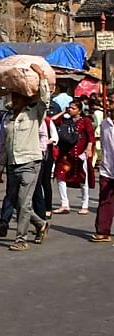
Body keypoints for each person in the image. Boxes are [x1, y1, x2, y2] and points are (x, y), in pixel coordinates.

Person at [0, 70, 51, 251]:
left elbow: (45, 99)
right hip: (12, 165)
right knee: (16, 202)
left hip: (30, 163)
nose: (14, 100)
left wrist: (41, 76)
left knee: (24, 204)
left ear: (25, 99)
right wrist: (0, 167)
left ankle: (21, 239)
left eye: (18, 97)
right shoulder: (8, 118)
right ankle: (41, 224)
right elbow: (6, 145)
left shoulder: (34, 114)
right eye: (12, 97)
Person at [54, 99, 96, 215]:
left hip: (80, 154)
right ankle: (64, 204)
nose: (71, 110)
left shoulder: (85, 121)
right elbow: (53, 120)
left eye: (73, 108)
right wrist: (63, 112)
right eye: (70, 108)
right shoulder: (66, 120)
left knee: (83, 179)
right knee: (60, 176)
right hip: (66, 154)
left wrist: (88, 148)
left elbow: (91, 136)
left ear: (79, 110)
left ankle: (85, 204)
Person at [92, 92, 114, 243]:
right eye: (109, 101)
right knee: (105, 200)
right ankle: (103, 231)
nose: (109, 104)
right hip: (107, 168)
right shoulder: (105, 124)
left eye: (112, 101)